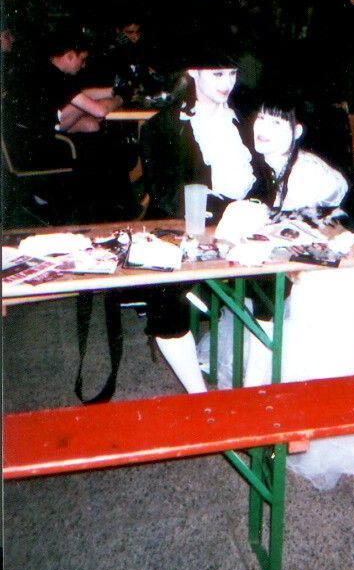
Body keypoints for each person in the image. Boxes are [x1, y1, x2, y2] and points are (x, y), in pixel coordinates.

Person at [209, 96, 354, 490]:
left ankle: (317, 416)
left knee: (309, 295)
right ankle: (271, 399)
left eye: (278, 123)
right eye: (261, 120)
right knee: (271, 287)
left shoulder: (306, 172)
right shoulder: (273, 164)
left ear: (297, 132)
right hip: (338, 248)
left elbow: (301, 240)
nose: (264, 130)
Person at [137, 45, 257, 393]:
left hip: (245, 226)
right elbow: (165, 195)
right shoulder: (163, 126)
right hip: (188, 227)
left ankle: (255, 389)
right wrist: (220, 214)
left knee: (277, 283)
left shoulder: (246, 119)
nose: (227, 83)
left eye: (232, 73)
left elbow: (266, 177)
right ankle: (198, 394)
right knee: (165, 297)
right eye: (217, 74)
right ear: (193, 71)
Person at [8, 26, 139, 222]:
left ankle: (119, 206)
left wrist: (114, 90)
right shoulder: (53, 77)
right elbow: (98, 110)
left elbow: (82, 95)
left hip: (33, 142)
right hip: (39, 151)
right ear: (70, 55)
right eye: (82, 59)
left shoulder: (46, 71)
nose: (84, 65)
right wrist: (120, 99)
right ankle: (118, 209)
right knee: (105, 150)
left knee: (97, 133)